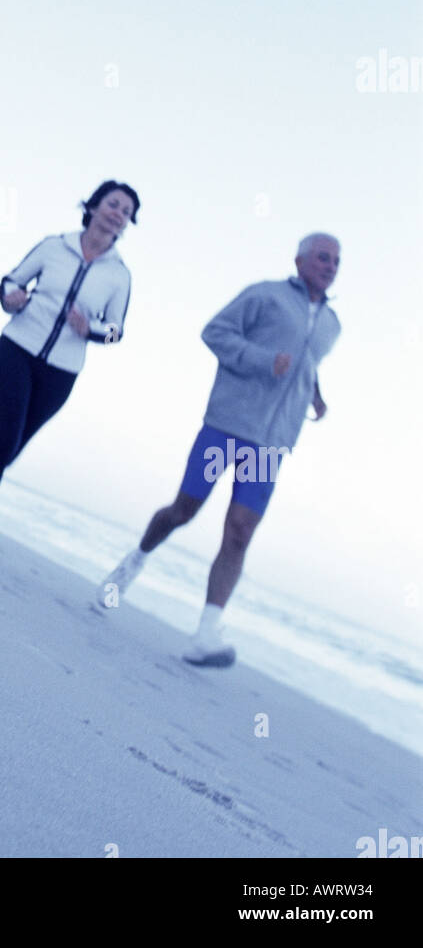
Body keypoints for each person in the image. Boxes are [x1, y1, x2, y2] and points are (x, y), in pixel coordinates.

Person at [96, 233, 342, 667]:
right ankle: (134, 561)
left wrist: (316, 395)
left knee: (240, 531)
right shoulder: (265, 295)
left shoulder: (332, 324)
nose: (330, 266)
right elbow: (215, 332)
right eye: (323, 257)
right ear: (300, 260)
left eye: (336, 261)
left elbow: (305, 363)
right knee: (183, 511)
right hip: (227, 426)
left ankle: (206, 633)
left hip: (271, 444)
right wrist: (263, 360)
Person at [0, 180, 139, 563]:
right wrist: (11, 298)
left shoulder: (119, 275)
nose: (119, 214)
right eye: (113, 204)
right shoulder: (54, 246)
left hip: (61, 373)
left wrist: (91, 330)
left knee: (9, 451)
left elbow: (117, 330)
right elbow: (11, 280)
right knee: (5, 439)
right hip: (16, 349)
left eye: (126, 212)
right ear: (93, 206)